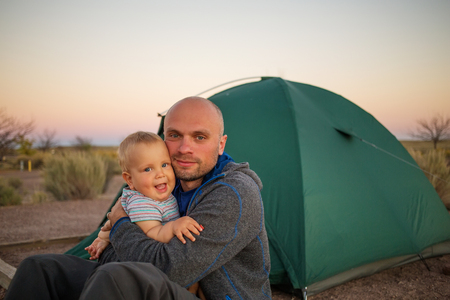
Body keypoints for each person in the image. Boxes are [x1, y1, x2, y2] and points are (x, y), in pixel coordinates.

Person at [5, 96, 272, 300]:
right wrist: (116, 243)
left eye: (199, 137)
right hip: (155, 281)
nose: (184, 148)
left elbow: (167, 269)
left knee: (116, 277)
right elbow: (116, 257)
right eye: (174, 135)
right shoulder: (163, 179)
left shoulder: (234, 193)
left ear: (221, 144)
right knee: (39, 268)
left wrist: (120, 224)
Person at [85, 131, 203, 261]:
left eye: (164, 165)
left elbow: (114, 223)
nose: (160, 174)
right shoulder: (141, 203)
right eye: (148, 169)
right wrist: (174, 226)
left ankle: (102, 239)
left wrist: (104, 235)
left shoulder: (158, 195)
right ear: (129, 180)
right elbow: (153, 232)